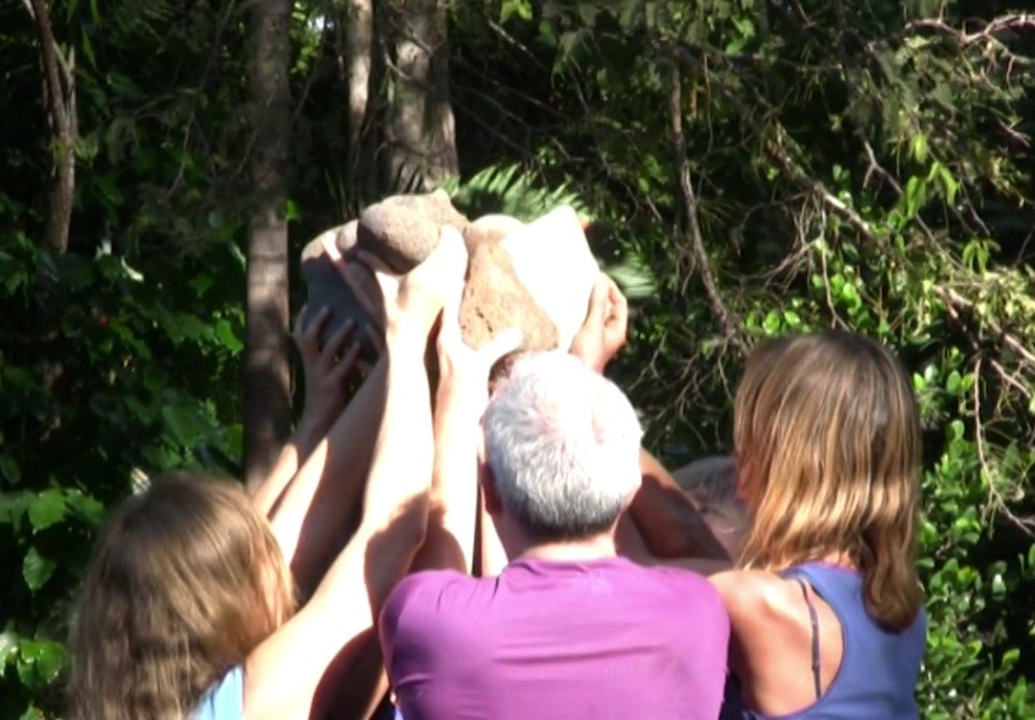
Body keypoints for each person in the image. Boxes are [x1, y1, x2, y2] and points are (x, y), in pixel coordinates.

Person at [66, 227, 468, 720]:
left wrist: (350, 393)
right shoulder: (251, 703)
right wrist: (411, 334)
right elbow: (394, 530)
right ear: (215, 604)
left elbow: (275, 530)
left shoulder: (184, 699)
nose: (276, 557)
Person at [378, 347, 731, 719]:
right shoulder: (698, 608)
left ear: (489, 488)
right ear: (631, 491)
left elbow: (471, 597)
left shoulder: (429, 619)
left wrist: (457, 397)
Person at [628, 330, 927, 719]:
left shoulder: (763, 606)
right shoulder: (899, 610)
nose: (737, 462)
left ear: (784, 467)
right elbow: (687, 535)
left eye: (749, 442)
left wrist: (574, 404)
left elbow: (620, 572)